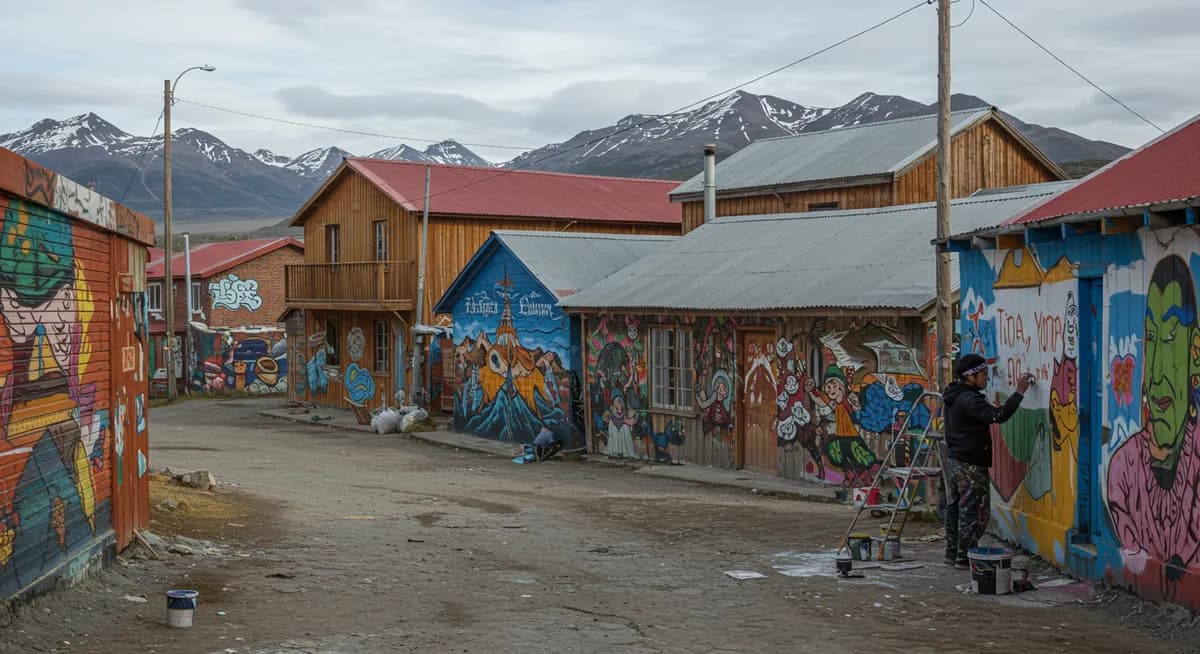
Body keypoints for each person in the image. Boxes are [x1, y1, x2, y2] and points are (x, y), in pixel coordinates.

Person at [942, 354, 1034, 568]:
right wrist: (1019, 392)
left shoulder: (954, 396)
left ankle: (953, 551)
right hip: (970, 463)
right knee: (974, 511)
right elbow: (998, 415)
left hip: (956, 461)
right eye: (983, 375)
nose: (987, 379)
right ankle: (964, 556)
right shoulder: (969, 399)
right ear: (970, 377)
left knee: (957, 506)